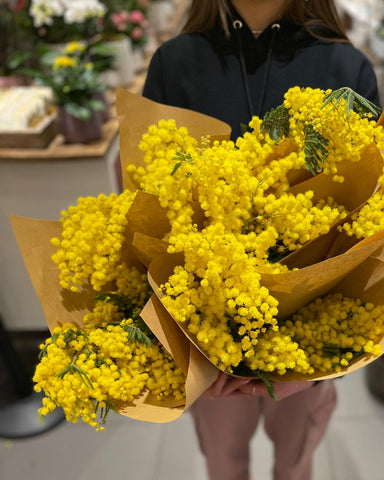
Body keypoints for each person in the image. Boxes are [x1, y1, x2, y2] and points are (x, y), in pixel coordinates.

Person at [141, 1, 381, 479]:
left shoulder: (344, 66)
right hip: (206, 346)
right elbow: (146, 210)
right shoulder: (175, 63)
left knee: (295, 463)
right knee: (224, 461)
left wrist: (316, 364)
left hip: (310, 349)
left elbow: (371, 226)